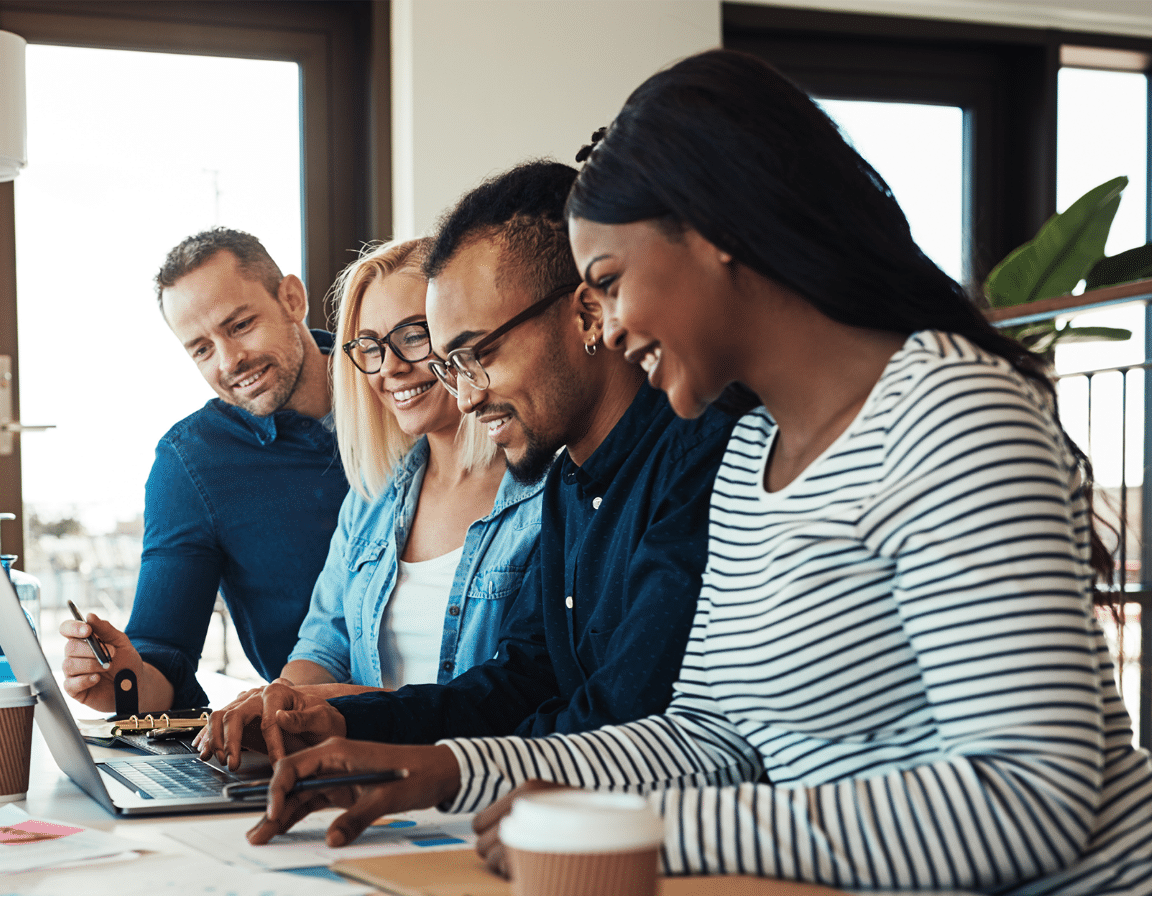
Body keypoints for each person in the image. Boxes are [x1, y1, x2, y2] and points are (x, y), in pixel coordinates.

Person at [246, 50, 1152, 895]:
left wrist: (641, 822)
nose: (604, 323)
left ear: (715, 235)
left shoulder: (952, 414)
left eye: (606, 279)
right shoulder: (755, 455)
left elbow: (1033, 799)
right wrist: (447, 769)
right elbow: (711, 737)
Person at [201, 161, 738, 765]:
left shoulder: (700, 461)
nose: (466, 394)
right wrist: (337, 720)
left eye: (476, 354)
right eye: (452, 364)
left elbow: (623, 726)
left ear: (587, 315)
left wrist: (446, 771)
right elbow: (516, 685)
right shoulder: (567, 482)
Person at [197, 237, 545, 766]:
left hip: (476, 787)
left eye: (413, 336)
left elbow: (515, 695)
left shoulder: (545, 491)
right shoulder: (375, 497)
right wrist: (277, 703)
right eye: (369, 347)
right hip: (363, 782)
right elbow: (324, 646)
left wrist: (339, 707)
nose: (390, 368)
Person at [59, 228, 348, 713]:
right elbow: (161, 659)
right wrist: (119, 680)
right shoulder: (192, 462)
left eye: (239, 326)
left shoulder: (401, 387)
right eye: (201, 349)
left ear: (292, 299)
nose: (230, 361)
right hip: (315, 733)